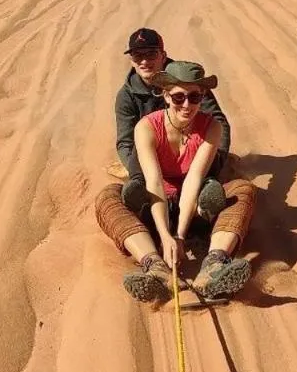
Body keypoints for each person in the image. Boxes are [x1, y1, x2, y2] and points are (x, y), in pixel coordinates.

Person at [96, 61, 257, 303]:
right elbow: (154, 183)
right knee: (108, 197)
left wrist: (179, 235)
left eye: (194, 97)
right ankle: (155, 266)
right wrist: (165, 236)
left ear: (202, 96)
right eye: (179, 97)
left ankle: (213, 267)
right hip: (155, 204)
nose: (187, 105)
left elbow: (194, 178)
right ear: (165, 95)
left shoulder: (211, 127)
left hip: (194, 205)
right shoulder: (147, 127)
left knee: (243, 190)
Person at [115, 28, 231, 222]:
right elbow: (124, 142)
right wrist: (141, 171)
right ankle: (142, 195)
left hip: (194, 154)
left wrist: (216, 158)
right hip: (151, 158)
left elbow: (218, 122)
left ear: (163, 55)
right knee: (138, 159)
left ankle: (206, 195)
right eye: (137, 55)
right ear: (131, 60)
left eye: (151, 53)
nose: (144, 61)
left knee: (207, 175)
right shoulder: (126, 96)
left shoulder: (189, 81)